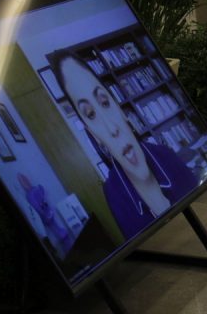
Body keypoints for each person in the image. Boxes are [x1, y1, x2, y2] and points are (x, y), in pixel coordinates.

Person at [53, 52, 198, 239]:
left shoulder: (165, 155)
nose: (112, 128)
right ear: (93, 134)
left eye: (105, 102)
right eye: (90, 114)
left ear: (120, 109)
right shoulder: (114, 193)